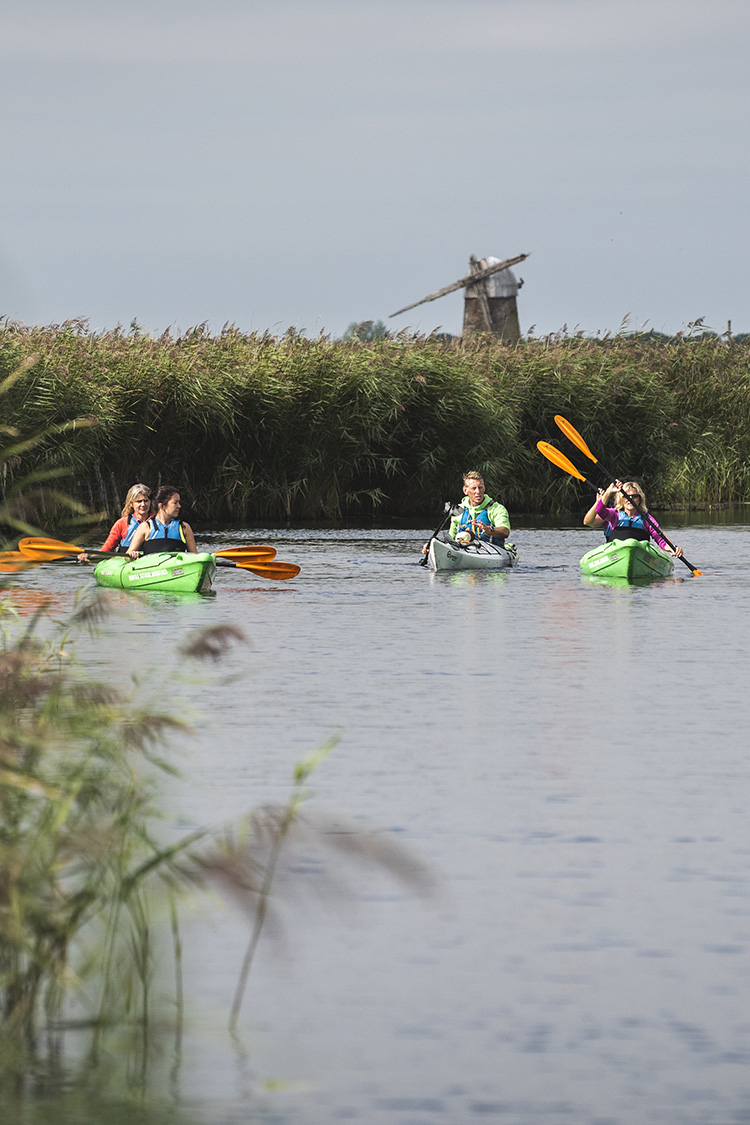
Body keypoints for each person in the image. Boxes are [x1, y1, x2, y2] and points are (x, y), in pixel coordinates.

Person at [583, 479, 683, 557]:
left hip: (639, 556)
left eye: (634, 496)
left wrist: (673, 549)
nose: (630, 499)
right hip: (615, 555)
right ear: (621, 499)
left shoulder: (646, 519)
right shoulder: (614, 515)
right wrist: (608, 492)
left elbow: (659, 538)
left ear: (639, 499)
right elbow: (599, 510)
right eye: (626, 496)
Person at [422, 471, 510, 554]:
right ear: (465, 490)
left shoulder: (496, 509)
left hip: (492, 552)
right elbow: (450, 539)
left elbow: (505, 532)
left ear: (484, 488)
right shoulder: (458, 511)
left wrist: (489, 530)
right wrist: (434, 546)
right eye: (473, 488)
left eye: (480, 487)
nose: (478, 492)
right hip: (466, 551)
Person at [78, 483, 152, 560]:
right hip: (126, 561)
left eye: (146, 501)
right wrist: (89, 556)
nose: (143, 504)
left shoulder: (159, 521)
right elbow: (108, 548)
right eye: (139, 501)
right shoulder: (122, 523)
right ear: (131, 504)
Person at [126, 485, 198, 557]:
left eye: (179, 502)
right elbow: (128, 555)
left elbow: (195, 556)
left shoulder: (184, 528)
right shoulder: (145, 527)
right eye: (175, 503)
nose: (179, 506)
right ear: (162, 506)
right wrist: (132, 554)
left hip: (177, 568)